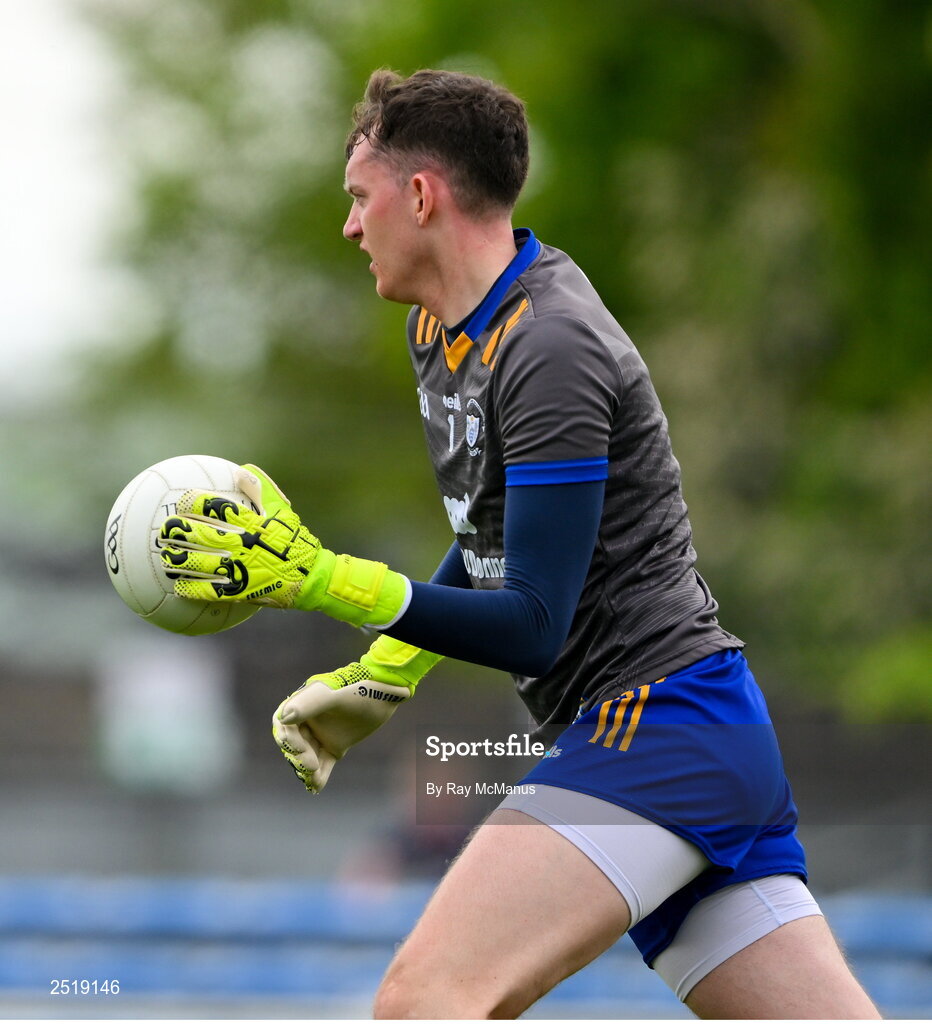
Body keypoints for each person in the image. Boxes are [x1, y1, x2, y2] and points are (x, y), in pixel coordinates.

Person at [159, 69, 881, 1019]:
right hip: (687, 735)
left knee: (425, 1001)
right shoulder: (442, 329)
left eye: (358, 198)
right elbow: (493, 535)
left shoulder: (551, 348)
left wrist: (327, 581)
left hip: (658, 729)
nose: (349, 226)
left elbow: (535, 622)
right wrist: (382, 674)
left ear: (420, 196)